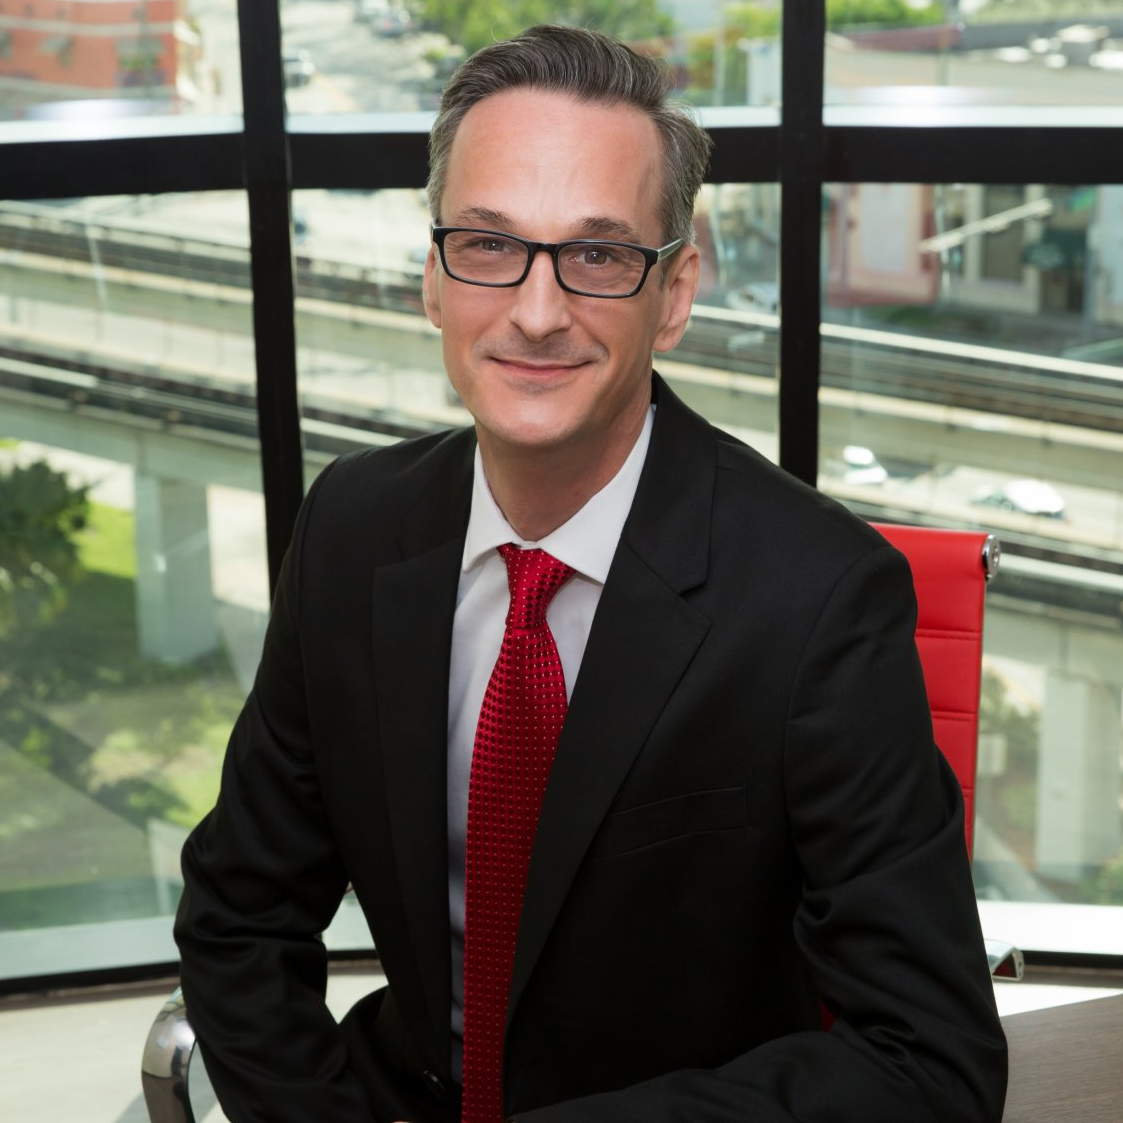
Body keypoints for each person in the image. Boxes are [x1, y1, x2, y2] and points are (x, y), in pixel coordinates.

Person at [175, 24, 1008, 1123]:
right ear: (432, 279)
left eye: (599, 255)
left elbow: (930, 1058)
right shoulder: (352, 527)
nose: (534, 309)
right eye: (487, 244)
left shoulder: (817, 599)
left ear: (674, 293)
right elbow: (240, 915)